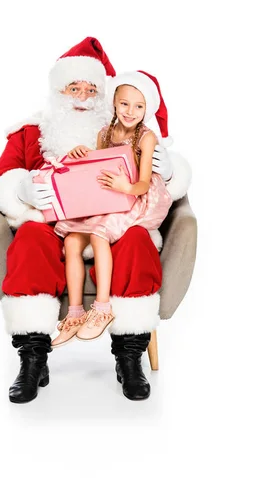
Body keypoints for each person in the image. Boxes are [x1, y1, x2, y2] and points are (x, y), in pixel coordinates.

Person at [0, 36, 192, 403]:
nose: (82, 96)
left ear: (105, 97)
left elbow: (158, 184)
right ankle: (33, 356)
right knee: (30, 239)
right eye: (73, 87)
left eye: (91, 88)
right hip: (54, 225)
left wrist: (171, 171)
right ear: (57, 91)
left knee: (138, 242)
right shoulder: (30, 132)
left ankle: (129, 355)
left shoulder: (124, 131)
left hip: (118, 220)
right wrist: (22, 190)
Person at [51, 73, 173, 347]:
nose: (131, 112)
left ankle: (102, 307)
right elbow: (98, 168)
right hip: (106, 196)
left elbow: (142, 184)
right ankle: (75, 314)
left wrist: (124, 186)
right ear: (115, 104)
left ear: (147, 109)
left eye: (139, 106)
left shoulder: (146, 137)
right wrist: (81, 154)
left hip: (133, 197)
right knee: (71, 240)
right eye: (125, 104)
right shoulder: (104, 133)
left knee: (98, 234)